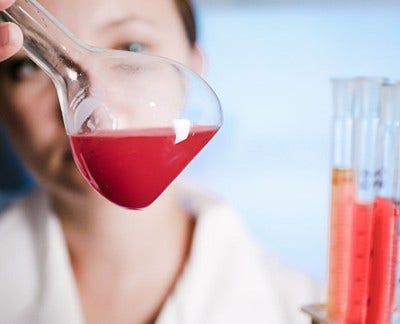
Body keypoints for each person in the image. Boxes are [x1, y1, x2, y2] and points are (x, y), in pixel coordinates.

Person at [0, 0, 319, 323]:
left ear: (195, 64)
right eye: (30, 66)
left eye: (132, 48)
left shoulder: (306, 309)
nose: (94, 109)